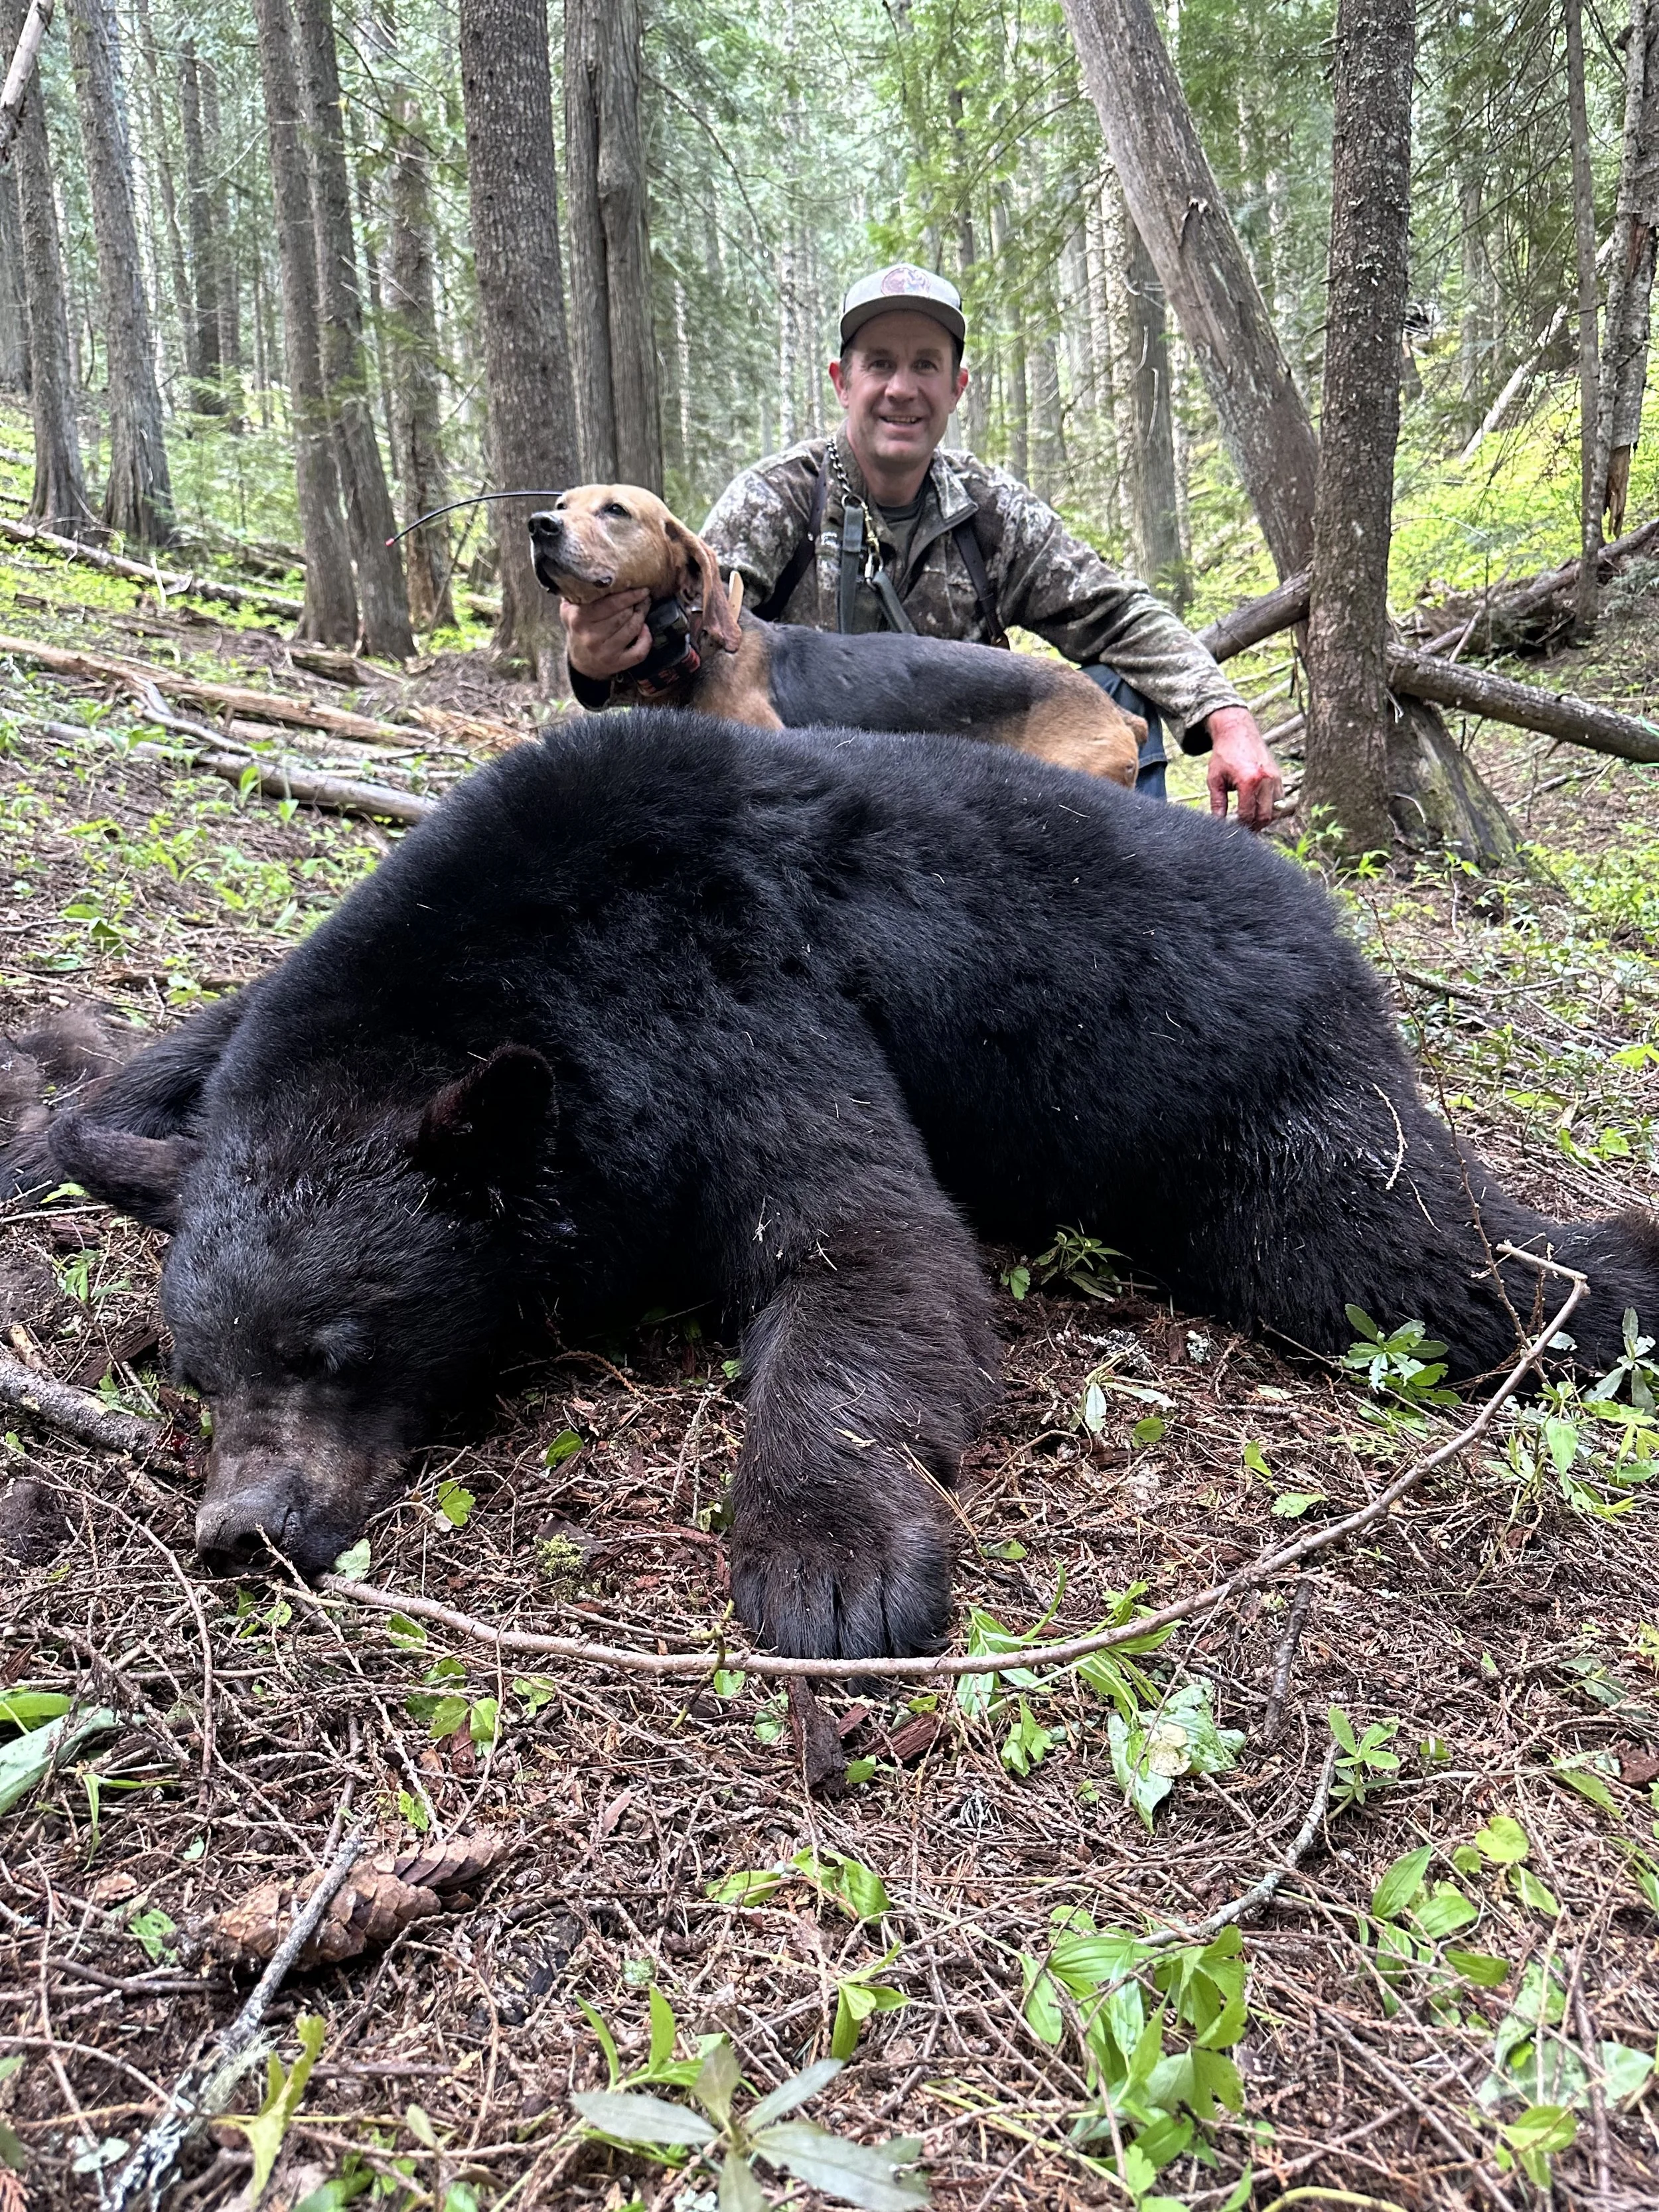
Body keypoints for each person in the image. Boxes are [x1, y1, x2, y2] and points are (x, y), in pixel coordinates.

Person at [562, 263, 1282, 827]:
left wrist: (1225, 717)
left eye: (925, 365)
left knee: (1116, 687)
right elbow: (693, 625)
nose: (901, 389)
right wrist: (594, 663)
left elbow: (1118, 612)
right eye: (879, 363)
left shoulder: (991, 510)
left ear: (957, 386)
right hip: (820, 801)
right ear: (843, 382)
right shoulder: (777, 496)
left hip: (976, 791)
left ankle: (1146, 897)